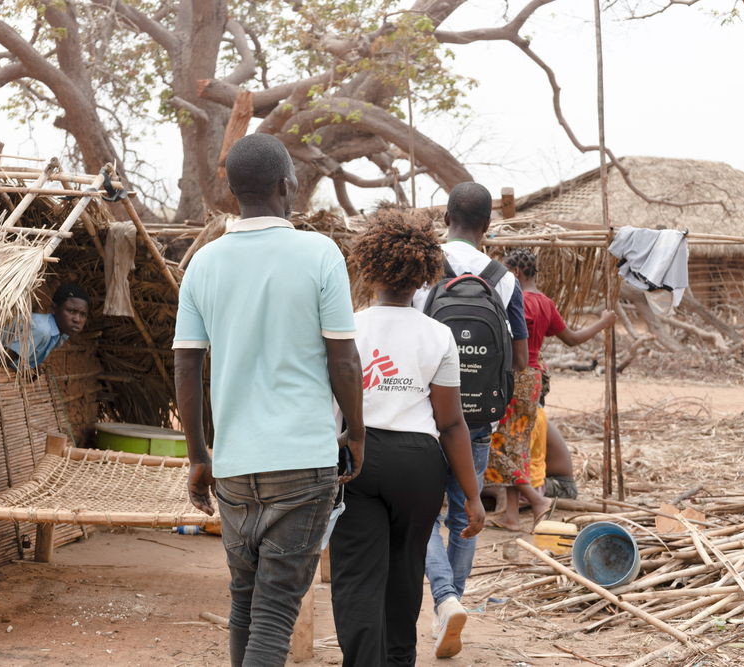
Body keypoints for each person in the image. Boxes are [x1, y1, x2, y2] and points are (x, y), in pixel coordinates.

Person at [173, 134, 364, 667]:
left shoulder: (204, 264)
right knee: (276, 611)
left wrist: (198, 455)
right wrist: (357, 432)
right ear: (286, 186)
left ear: (233, 191)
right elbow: (344, 361)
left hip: (234, 466)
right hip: (302, 463)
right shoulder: (319, 253)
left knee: (246, 603)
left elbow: (186, 363)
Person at [330, 217, 485, 667]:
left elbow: (330, 403)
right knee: (404, 571)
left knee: (357, 575)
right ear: (423, 276)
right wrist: (472, 496)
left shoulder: (347, 328)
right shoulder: (438, 334)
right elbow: (452, 423)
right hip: (419, 466)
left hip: (356, 457)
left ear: (368, 270)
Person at [412, 182, 528, 659]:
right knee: (467, 513)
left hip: (421, 413)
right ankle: (451, 603)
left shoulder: (420, 266)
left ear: (445, 217)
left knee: (422, 515)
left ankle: (443, 599)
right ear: (488, 225)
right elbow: (519, 359)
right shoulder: (503, 279)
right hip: (477, 418)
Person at [488, 248, 615, 529]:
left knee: (495, 446)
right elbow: (572, 339)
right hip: (533, 379)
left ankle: (536, 499)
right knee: (517, 444)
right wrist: (603, 323)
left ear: (516, 273)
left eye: (504, 271)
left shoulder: (512, 300)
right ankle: (510, 515)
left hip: (512, 377)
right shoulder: (545, 303)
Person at [4, 283, 89, 369]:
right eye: (71, 311)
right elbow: (3, 359)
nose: (77, 319)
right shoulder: (41, 330)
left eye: (83, 314)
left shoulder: (61, 334)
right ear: (53, 308)